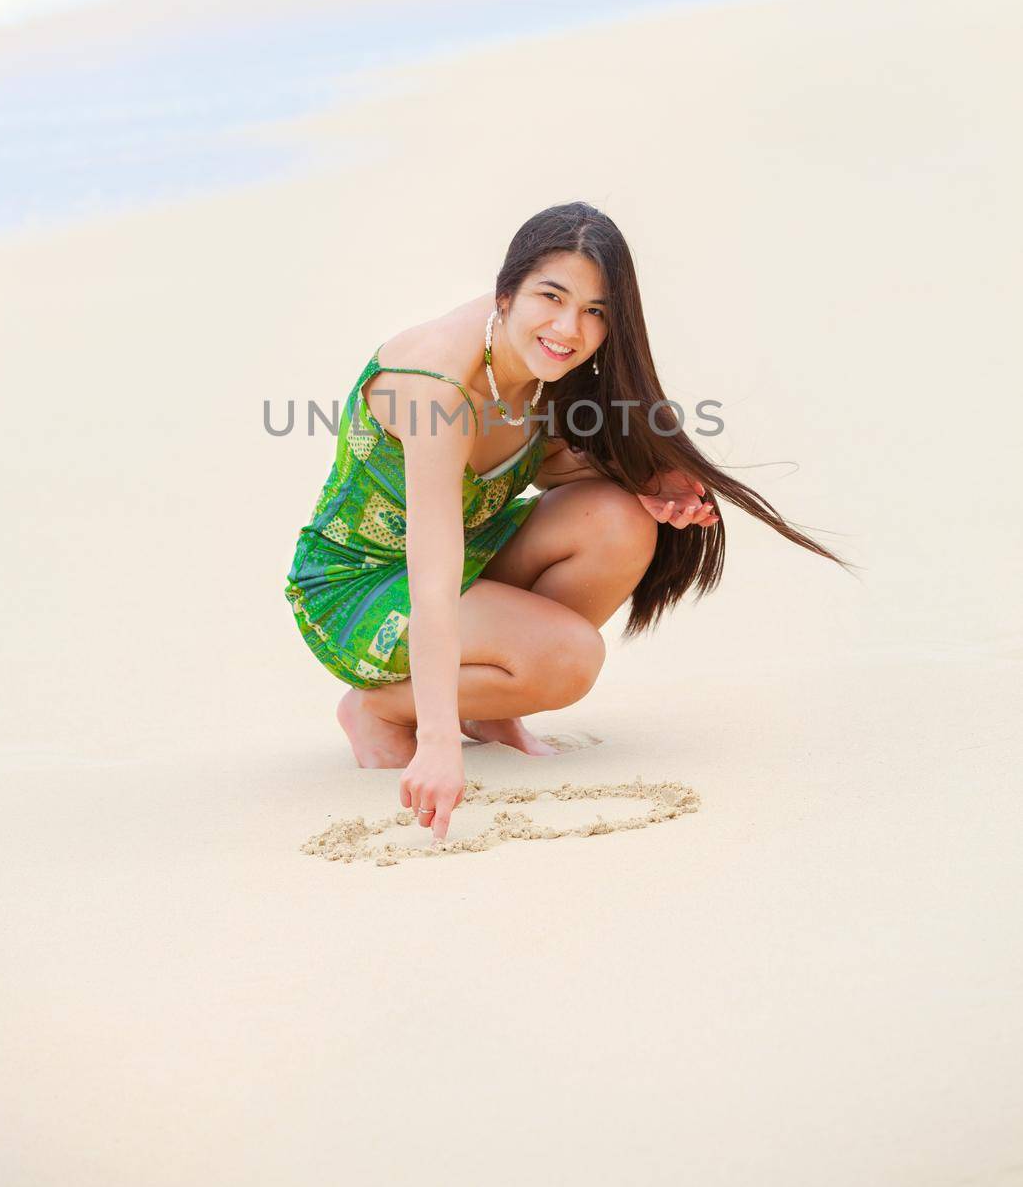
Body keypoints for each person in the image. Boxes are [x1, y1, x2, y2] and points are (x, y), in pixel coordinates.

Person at [284, 201, 852, 842]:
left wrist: (650, 484)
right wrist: (436, 743)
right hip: (357, 590)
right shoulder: (434, 386)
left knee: (621, 520)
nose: (568, 327)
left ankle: (494, 709)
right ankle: (380, 711)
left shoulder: (549, 367)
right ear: (506, 292)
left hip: (469, 553)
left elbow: (544, 466)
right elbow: (433, 574)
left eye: (595, 312)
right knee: (569, 659)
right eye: (550, 297)